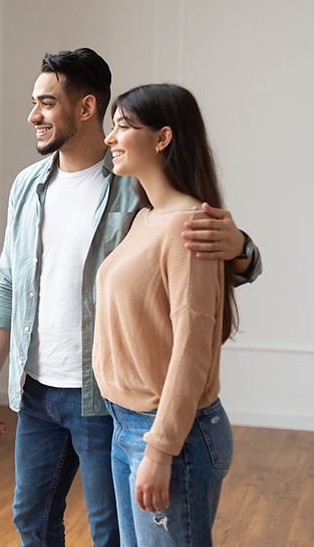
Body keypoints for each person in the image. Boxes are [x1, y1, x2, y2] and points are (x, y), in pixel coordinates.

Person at [0, 49, 261, 547]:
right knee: (32, 521)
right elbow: (8, 285)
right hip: (36, 387)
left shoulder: (134, 186)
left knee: (112, 532)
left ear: (85, 108)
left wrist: (242, 250)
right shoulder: (28, 186)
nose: (33, 116)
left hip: (101, 397)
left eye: (45, 102)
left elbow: (193, 258)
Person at [94, 83, 234, 546]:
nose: (110, 138)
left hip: (168, 434)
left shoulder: (189, 226)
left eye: (122, 127)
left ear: (162, 138)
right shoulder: (146, 217)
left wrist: (160, 448)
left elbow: (193, 349)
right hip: (125, 424)